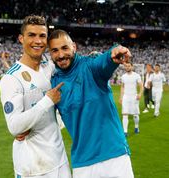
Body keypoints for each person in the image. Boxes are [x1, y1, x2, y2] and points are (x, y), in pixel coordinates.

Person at [48, 29, 134, 178]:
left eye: (64, 48)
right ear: (50, 53)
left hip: (114, 156)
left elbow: (103, 63)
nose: (61, 55)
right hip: (82, 163)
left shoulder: (90, 66)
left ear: (74, 47)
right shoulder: (53, 83)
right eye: (55, 50)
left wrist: (113, 55)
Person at [0, 16, 71, 178]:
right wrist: (47, 101)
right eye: (31, 35)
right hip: (32, 167)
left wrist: (95, 56)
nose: (37, 41)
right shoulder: (11, 79)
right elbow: (15, 127)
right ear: (21, 38)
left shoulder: (49, 66)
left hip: (59, 159)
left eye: (42, 36)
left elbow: (69, 60)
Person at [120, 62, 143, 136]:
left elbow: (141, 86)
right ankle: (125, 132)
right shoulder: (123, 76)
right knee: (125, 114)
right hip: (126, 97)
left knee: (135, 115)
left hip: (134, 96)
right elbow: (122, 86)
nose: (127, 67)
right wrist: (121, 97)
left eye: (129, 66)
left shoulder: (136, 76)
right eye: (126, 66)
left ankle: (136, 127)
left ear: (132, 67)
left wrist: (140, 94)